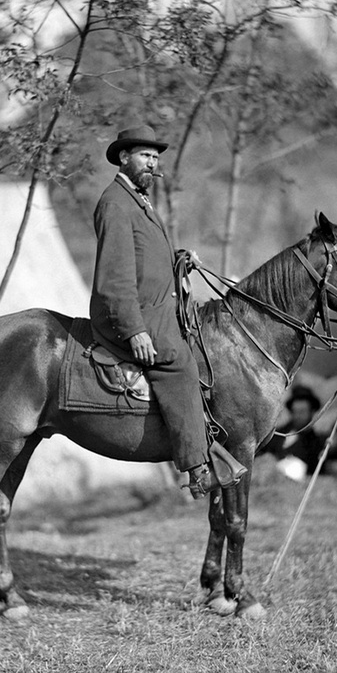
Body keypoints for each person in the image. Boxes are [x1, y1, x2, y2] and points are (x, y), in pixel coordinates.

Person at [89, 124, 246, 498]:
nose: (152, 163)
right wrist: (134, 330)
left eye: (155, 157)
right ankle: (197, 468)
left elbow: (144, 260)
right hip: (132, 315)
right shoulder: (115, 204)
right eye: (145, 155)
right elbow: (115, 279)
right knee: (179, 361)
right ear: (124, 157)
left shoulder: (138, 200)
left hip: (156, 308)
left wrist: (178, 261)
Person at [267, 385, 324, 476]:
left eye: (302, 412)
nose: (297, 416)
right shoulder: (279, 433)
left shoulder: (315, 442)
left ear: (311, 412)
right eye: (295, 411)